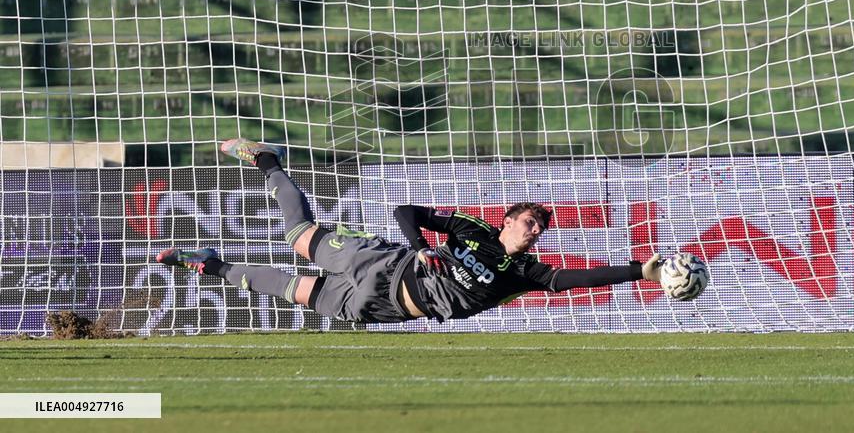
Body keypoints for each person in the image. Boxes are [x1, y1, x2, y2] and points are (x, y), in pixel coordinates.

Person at [156, 138, 664, 324]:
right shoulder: (469, 230)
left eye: (540, 229)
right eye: (530, 222)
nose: (535, 232)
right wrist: (422, 248)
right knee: (299, 236)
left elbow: (575, 281)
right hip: (383, 262)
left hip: (389, 307)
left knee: (293, 291)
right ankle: (268, 161)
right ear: (508, 219)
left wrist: (640, 270)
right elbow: (405, 211)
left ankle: (209, 263)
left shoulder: (525, 273)